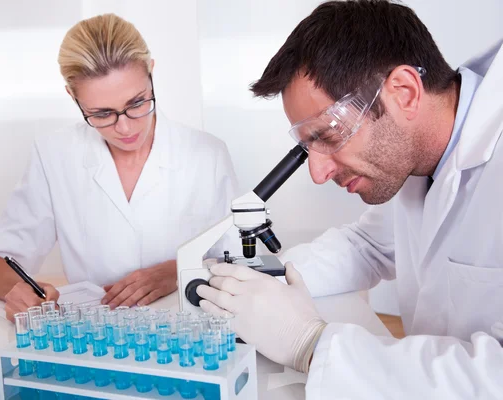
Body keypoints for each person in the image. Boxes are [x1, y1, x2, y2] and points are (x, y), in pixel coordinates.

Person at [197, 1, 503, 398]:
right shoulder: (416, 159)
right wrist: (261, 282)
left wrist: (310, 343)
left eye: (328, 135)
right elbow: (369, 246)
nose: (318, 173)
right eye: (308, 146)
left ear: (405, 93)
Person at [0, 13, 239, 321]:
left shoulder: (207, 154)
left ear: (151, 72)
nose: (125, 128)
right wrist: (17, 291)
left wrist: (177, 272)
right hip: (98, 340)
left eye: (137, 102)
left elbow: (241, 261)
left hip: (188, 337)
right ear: (72, 97)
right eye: (101, 114)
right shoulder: (55, 155)